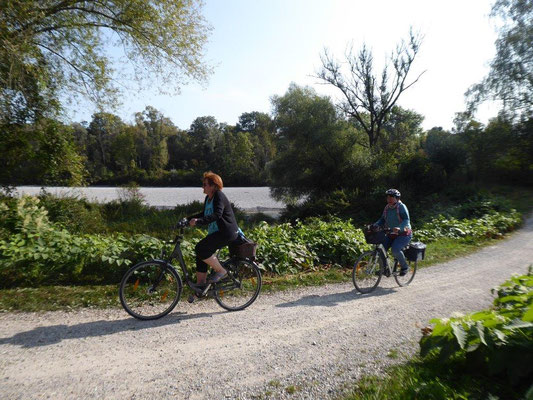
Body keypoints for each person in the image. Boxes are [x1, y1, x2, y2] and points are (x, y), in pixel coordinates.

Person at [188, 171, 240, 286]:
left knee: (200, 248)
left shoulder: (219, 196)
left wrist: (198, 222)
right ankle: (201, 285)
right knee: (200, 253)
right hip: (217, 232)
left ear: (213, 186)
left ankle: (222, 271)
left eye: (205, 184)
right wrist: (187, 220)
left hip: (226, 232)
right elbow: (204, 213)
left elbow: (217, 214)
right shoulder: (208, 198)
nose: (203, 187)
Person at [373, 188, 412, 276]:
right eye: (388, 197)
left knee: (395, 249)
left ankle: (404, 267)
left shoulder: (401, 206)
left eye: (391, 197)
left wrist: (399, 228)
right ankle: (384, 268)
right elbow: (382, 220)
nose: (389, 199)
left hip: (404, 234)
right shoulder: (387, 208)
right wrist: (375, 225)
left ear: (397, 198)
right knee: (381, 249)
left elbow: (406, 220)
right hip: (391, 233)